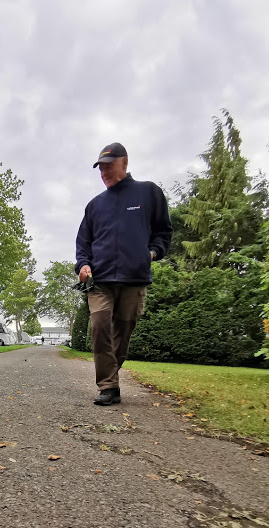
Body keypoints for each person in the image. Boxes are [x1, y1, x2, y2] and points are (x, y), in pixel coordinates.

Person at [75, 143, 172, 405]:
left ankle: (111, 378)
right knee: (99, 326)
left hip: (134, 279)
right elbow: (83, 243)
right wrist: (83, 265)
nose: (104, 172)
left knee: (123, 334)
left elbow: (164, 231)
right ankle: (108, 386)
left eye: (109, 166)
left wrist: (152, 253)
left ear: (125, 163)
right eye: (100, 168)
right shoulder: (95, 205)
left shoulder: (149, 192)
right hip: (100, 280)